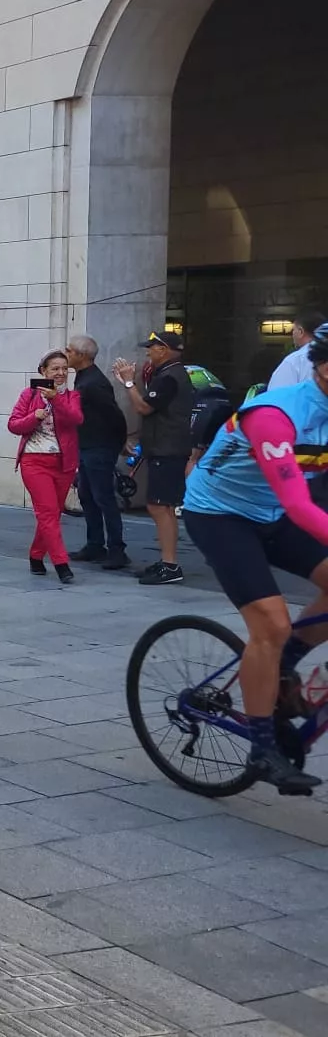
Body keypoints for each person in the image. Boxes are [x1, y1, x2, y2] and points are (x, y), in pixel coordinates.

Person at [178, 330, 328, 792]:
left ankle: (283, 665)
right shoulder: (275, 414)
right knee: (272, 623)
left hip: (270, 511)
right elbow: (299, 505)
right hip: (219, 514)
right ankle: (262, 749)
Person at [114, 332, 194, 585]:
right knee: (162, 506)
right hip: (166, 448)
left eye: (152, 348)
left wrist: (129, 383)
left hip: (167, 450)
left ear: (164, 350)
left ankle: (170, 565)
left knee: (159, 506)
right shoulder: (169, 374)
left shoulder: (169, 377)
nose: (148, 352)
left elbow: (144, 407)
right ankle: (167, 562)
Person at [8, 350, 83, 583]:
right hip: (34, 461)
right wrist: (35, 416)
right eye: (55, 369)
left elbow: (76, 418)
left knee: (53, 514)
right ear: (43, 371)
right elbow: (14, 425)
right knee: (48, 513)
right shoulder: (28, 395)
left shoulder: (72, 396)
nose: (61, 373)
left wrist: (55, 399)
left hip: (63, 463)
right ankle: (62, 564)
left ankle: (36, 555)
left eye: (64, 369)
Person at [66, 335, 130, 569]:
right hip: (87, 446)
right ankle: (95, 544)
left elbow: (114, 415)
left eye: (69, 350)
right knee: (87, 495)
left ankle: (117, 549)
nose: (66, 353)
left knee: (104, 497)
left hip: (99, 447)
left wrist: (119, 442)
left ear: (81, 356)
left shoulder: (94, 383)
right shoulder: (84, 378)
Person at [267, 316, 328, 391]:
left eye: (293, 330)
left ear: (300, 331)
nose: (292, 335)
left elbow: (276, 395)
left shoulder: (294, 361)